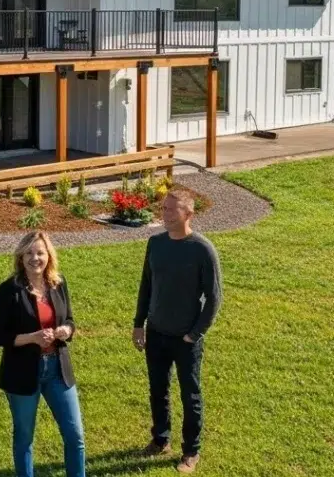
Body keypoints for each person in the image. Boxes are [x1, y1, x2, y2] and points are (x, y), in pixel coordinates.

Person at [132, 189, 222, 473]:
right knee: (158, 390)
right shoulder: (155, 243)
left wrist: (194, 334)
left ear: (189, 214)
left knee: (189, 395)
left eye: (172, 209)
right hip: (156, 333)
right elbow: (146, 285)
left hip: (185, 338)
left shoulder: (202, 249)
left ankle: (191, 451)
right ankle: (160, 439)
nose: (166, 214)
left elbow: (215, 298)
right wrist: (139, 323)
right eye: (164, 208)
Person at [0, 231, 86, 477]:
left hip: (57, 370)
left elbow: (70, 320)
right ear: (21, 257)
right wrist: (32, 337)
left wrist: (66, 330)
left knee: (75, 435)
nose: (35, 258)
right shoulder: (10, 290)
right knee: (24, 437)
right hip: (22, 373)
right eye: (29, 253)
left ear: (49, 256)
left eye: (40, 253)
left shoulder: (58, 283)